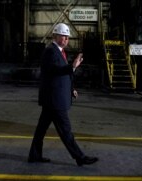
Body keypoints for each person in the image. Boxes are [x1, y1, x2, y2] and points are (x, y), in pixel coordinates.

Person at [28, 23, 98, 166]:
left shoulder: (60, 52)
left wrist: (71, 88)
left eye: (67, 37)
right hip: (55, 100)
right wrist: (72, 66)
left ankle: (34, 155)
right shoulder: (50, 51)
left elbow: (63, 75)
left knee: (41, 129)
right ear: (55, 36)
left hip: (53, 98)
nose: (66, 39)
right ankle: (80, 157)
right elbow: (54, 70)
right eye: (63, 36)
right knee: (66, 131)